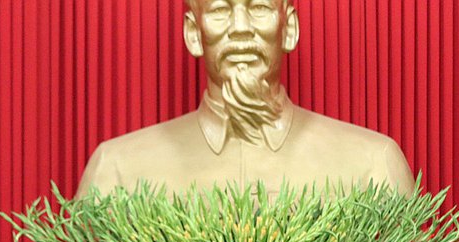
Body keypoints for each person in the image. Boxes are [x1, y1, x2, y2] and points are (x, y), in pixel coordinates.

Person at [75, 0, 416, 198]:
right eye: (221, 9)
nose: (240, 28)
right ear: (194, 34)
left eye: (260, 7)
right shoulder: (118, 169)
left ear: (290, 28)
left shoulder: (372, 165)